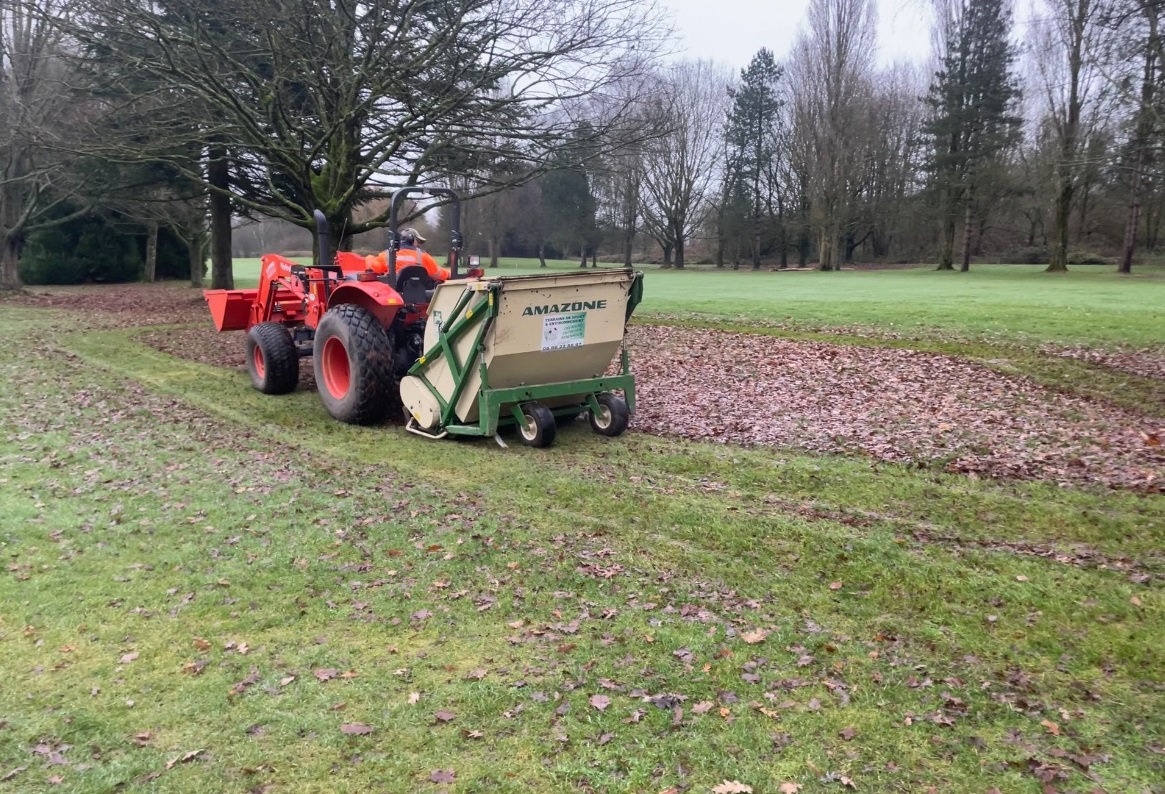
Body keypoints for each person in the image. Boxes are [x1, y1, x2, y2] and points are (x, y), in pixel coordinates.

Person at [365, 227, 450, 281]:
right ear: (411, 239)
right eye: (417, 241)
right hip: (419, 293)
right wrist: (449, 273)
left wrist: (369, 258)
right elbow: (437, 274)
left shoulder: (387, 254)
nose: (418, 244)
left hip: (395, 292)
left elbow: (375, 268)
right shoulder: (423, 256)